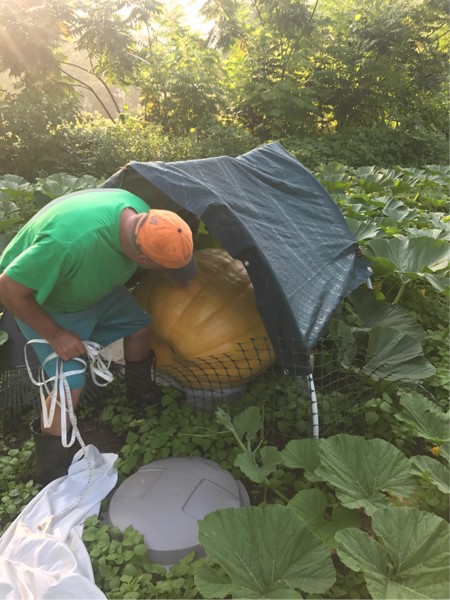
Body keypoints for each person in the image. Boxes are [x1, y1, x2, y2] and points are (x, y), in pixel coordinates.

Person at [0, 188, 197, 484]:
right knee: (70, 385)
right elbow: (8, 290)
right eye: (163, 268)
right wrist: (55, 334)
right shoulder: (67, 244)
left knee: (140, 326)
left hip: (91, 287)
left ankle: (139, 394)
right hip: (50, 302)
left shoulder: (142, 214)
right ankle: (51, 472)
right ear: (142, 257)